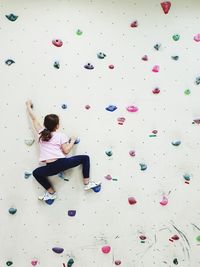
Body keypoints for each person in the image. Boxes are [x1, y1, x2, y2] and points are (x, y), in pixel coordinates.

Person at [26, 100, 101, 201]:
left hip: (50, 168)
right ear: (57, 126)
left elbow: (34, 119)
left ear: (45, 124)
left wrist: (28, 106)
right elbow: (66, 151)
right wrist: (72, 140)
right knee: (85, 158)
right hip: (62, 163)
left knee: (36, 173)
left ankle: (51, 193)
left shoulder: (41, 134)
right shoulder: (60, 135)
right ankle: (87, 183)